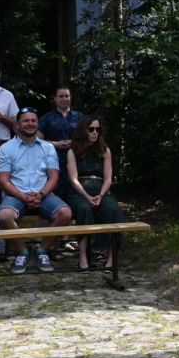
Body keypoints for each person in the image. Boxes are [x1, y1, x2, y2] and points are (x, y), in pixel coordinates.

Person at [0, 107, 72, 274]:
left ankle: (41, 250)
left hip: (43, 194)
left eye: (33, 121)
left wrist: (41, 194)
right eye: (26, 121)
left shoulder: (48, 147)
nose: (30, 124)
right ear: (17, 125)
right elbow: (3, 181)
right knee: (5, 216)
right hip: (16, 195)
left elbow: (53, 177)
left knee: (65, 213)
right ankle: (22, 252)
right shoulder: (6, 148)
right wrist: (23, 197)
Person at [64, 115, 125, 270]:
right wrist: (87, 196)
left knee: (112, 209)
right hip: (80, 191)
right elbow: (73, 179)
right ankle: (83, 257)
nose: (95, 132)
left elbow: (108, 178)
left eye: (98, 129)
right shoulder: (73, 151)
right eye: (91, 129)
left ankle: (111, 257)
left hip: (101, 189)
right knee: (84, 209)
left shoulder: (105, 151)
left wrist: (101, 195)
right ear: (83, 130)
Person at [39, 86, 81, 155]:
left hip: (76, 157)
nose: (64, 99)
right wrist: (55, 144)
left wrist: (74, 143)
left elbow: (88, 138)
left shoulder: (79, 116)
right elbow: (37, 141)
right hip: (52, 157)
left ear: (70, 97)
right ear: (55, 98)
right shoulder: (46, 118)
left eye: (67, 96)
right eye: (61, 96)